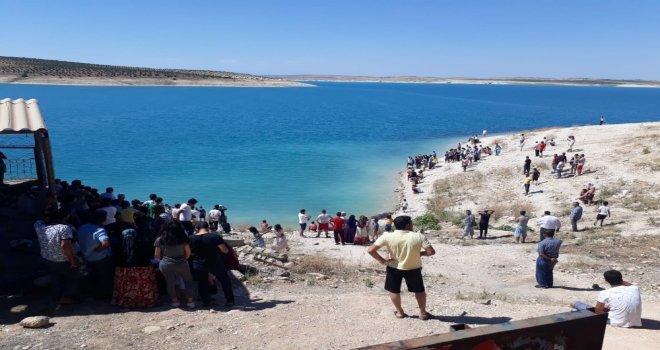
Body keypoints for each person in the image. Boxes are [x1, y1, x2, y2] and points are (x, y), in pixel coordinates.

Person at [367, 216, 435, 320]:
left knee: (394, 290)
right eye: (411, 223)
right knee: (419, 291)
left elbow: (371, 250)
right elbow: (431, 252)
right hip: (413, 268)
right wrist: (420, 253)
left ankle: (399, 312)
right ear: (407, 225)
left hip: (394, 267)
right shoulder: (418, 236)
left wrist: (382, 260)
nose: (412, 225)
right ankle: (422, 313)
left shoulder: (387, 236)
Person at [34, 208, 79, 304]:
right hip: (62, 259)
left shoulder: (39, 226)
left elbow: (39, 218)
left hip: (46, 258)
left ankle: (56, 296)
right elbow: (65, 246)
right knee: (73, 277)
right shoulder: (64, 228)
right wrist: (72, 262)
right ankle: (66, 297)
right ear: (65, 217)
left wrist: (47, 216)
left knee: (55, 277)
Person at [571, 270, 642, 328]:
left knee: (575, 303)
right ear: (621, 278)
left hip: (615, 321)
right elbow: (629, 285)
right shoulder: (635, 288)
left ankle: (576, 305)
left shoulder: (605, 293)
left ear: (606, 281)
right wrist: (619, 280)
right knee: (607, 306)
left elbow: (597, 312)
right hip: (635, 322)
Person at [189, 222, 234, 307]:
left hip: (198, 263)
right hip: (215, 262)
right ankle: (230, 300)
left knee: (202, 282)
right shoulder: (214, 236)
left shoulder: (191, 238)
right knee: (225, 281)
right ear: (208, 228)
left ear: (196, 229)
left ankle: (206, 302)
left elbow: (189, 253)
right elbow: (225, 250)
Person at [154, 221, 195, 308]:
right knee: (188, 281)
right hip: (181, 262)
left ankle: (175, 301)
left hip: (166, 263)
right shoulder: (183, 238)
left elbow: (157, 255)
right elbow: (188, 252)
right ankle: (190, 301)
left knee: (170, 282)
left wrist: (164, 260)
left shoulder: (160, 239)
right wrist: (183, 259)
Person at [77, 209, 114, 299]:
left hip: (85, 256)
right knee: (104, 276)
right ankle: (102, 295)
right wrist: (99, 249)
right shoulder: (100, 230)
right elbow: (105, 243)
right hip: (100, 257)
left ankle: (90, 292)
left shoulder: (83, 227)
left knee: (92, 275)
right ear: (103, 219)